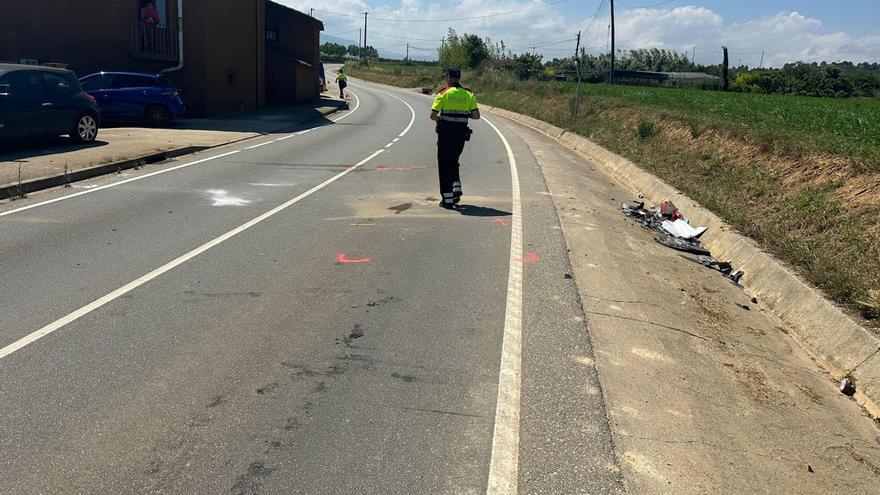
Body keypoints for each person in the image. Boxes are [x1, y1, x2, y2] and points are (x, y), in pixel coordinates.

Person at [430, 68, 480, 209]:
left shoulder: (443, 93)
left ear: (448, 77)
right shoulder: (468, 94)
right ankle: (456, 187)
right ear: (459, 78)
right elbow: (476, 116)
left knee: (444, 166)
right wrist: (464, 115)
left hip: (445, 135)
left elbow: (433, 116)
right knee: (454, 161)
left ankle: (447, 200)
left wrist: (442, 119)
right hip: (460, 136)